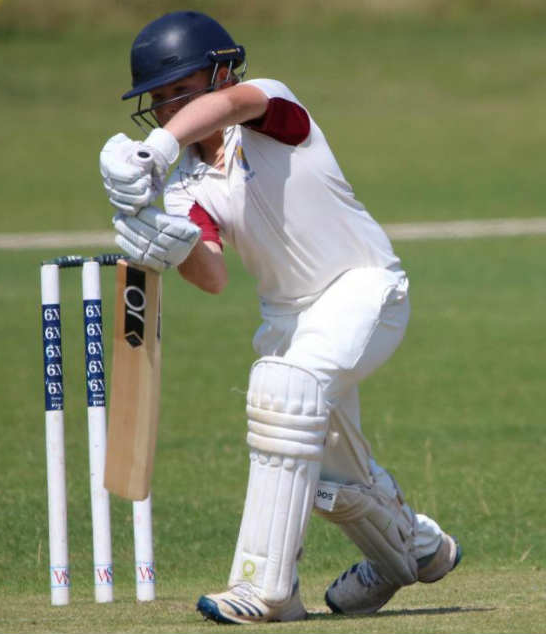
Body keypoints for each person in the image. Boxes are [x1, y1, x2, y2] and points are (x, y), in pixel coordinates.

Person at [98, 10, 461, 624]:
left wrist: (158, 147)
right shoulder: (185, 185)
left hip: (364, 287)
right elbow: (212, 275)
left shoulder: (268, 107)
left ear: (220, 73)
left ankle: (266, 589)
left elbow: (231, 106)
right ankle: (416, 550)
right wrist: (168, 243)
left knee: (283, 394)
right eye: (157, 100)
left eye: (180, 89)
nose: (168, 108)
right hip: (290, 322)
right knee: (330, 476)